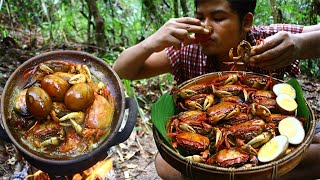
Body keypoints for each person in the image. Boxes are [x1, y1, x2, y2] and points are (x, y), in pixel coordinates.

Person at [113, 0, 320, 179]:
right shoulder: (188, 50)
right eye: (199, 18)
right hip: (208, 153)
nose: (205, 28)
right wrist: (151, 42)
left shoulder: (270, 41)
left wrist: (299, 44)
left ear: (246, 22)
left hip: (271, 143)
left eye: (218, 18)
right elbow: (120, 71)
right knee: (163, 164)